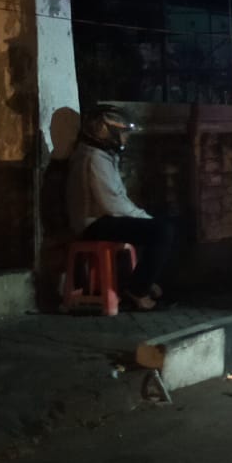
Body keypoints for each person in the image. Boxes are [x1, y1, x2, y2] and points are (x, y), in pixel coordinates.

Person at [65, 105, 174, 310]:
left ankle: (143, 282)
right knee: (162, 231)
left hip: (103, 219)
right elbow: (112, 204)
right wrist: (144, 218)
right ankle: (137, 290)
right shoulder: (93, 159)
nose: (125, 138)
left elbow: (117, 200)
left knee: (165, 225)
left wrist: (143, 217)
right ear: (105, 131)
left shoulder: (101, 156)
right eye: (122, 133)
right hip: (92, 223)